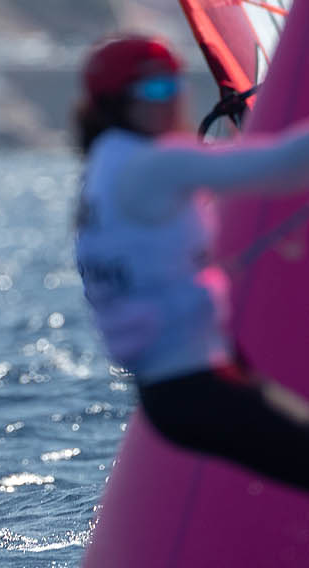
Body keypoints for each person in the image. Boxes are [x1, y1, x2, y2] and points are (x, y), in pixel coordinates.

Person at [74, 33, 309, 491]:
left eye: (174, 83)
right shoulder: (152, 164)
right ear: (119, 103)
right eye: (155, 89)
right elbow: (288, 165)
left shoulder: (106, 160)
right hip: (195, 388)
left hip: (180, 389)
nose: (174, 97)